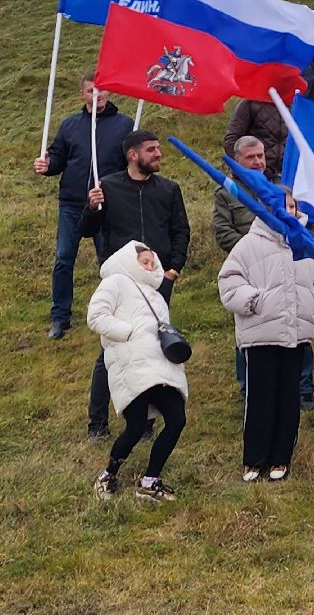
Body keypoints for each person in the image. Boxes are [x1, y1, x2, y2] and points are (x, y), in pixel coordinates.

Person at [80, 130, 190, 439]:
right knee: (110, 353)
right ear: (133, 155)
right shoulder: (109, 187)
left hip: (157, 284)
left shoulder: (169, 190)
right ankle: (97, 423)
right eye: (151, 149)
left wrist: (172, 272)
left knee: (154, 353)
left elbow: (181, 232)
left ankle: (145, 423)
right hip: (121, 284)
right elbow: (87, 229)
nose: (158, 154)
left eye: (158, 148)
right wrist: (92, 206)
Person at [218, 192, 314, 482]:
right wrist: (254, 301)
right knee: (260, 398)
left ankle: (281, 458)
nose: (287, 211)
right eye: (280, 207)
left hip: (296, 333)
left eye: (291, 206)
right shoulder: (248, 244)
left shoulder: (306, 243)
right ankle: (254, 460)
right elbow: (229, 281)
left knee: (289, 397)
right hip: (260, 334)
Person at [87, 241, 188, 502]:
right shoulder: (115, 282)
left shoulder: (157, 295)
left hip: (160, 367)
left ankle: (150, 480)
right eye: (144, 261)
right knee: (135, 427)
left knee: (177, 418)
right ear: (129, 260)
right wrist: (128, 333)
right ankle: (108, 474)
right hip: (131, 366)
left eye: (152, 261)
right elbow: (96, 316)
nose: (150, 265)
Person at [34, 74, 132, 339]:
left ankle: (112, 313)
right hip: (72, 204)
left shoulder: (125, 125)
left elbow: (130, 164)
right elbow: (57, 158)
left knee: (109, 262)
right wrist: (47, 165)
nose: (97, 96)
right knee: (64, 259)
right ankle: (60, 317)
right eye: (91, 92)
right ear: (82, 94)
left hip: (105, 203)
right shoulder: (70, 125)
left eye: (101, 92)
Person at [214, 136, 264, 396]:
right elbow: (223, 232)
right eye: (250, 157)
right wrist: (254, 250)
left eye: (260, 156)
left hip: (280, 266)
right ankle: (247, 386)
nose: (257, 162)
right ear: (237, 161)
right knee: (245, 325)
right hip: (245, 269)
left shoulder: (279, 186)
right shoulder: (226, 192)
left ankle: (302, 388)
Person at [223, 100, 285, 179]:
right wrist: (241, 169)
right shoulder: (249, 103)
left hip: (284, 176)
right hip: (253, 175)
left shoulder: (294, 105)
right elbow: (231, 140)